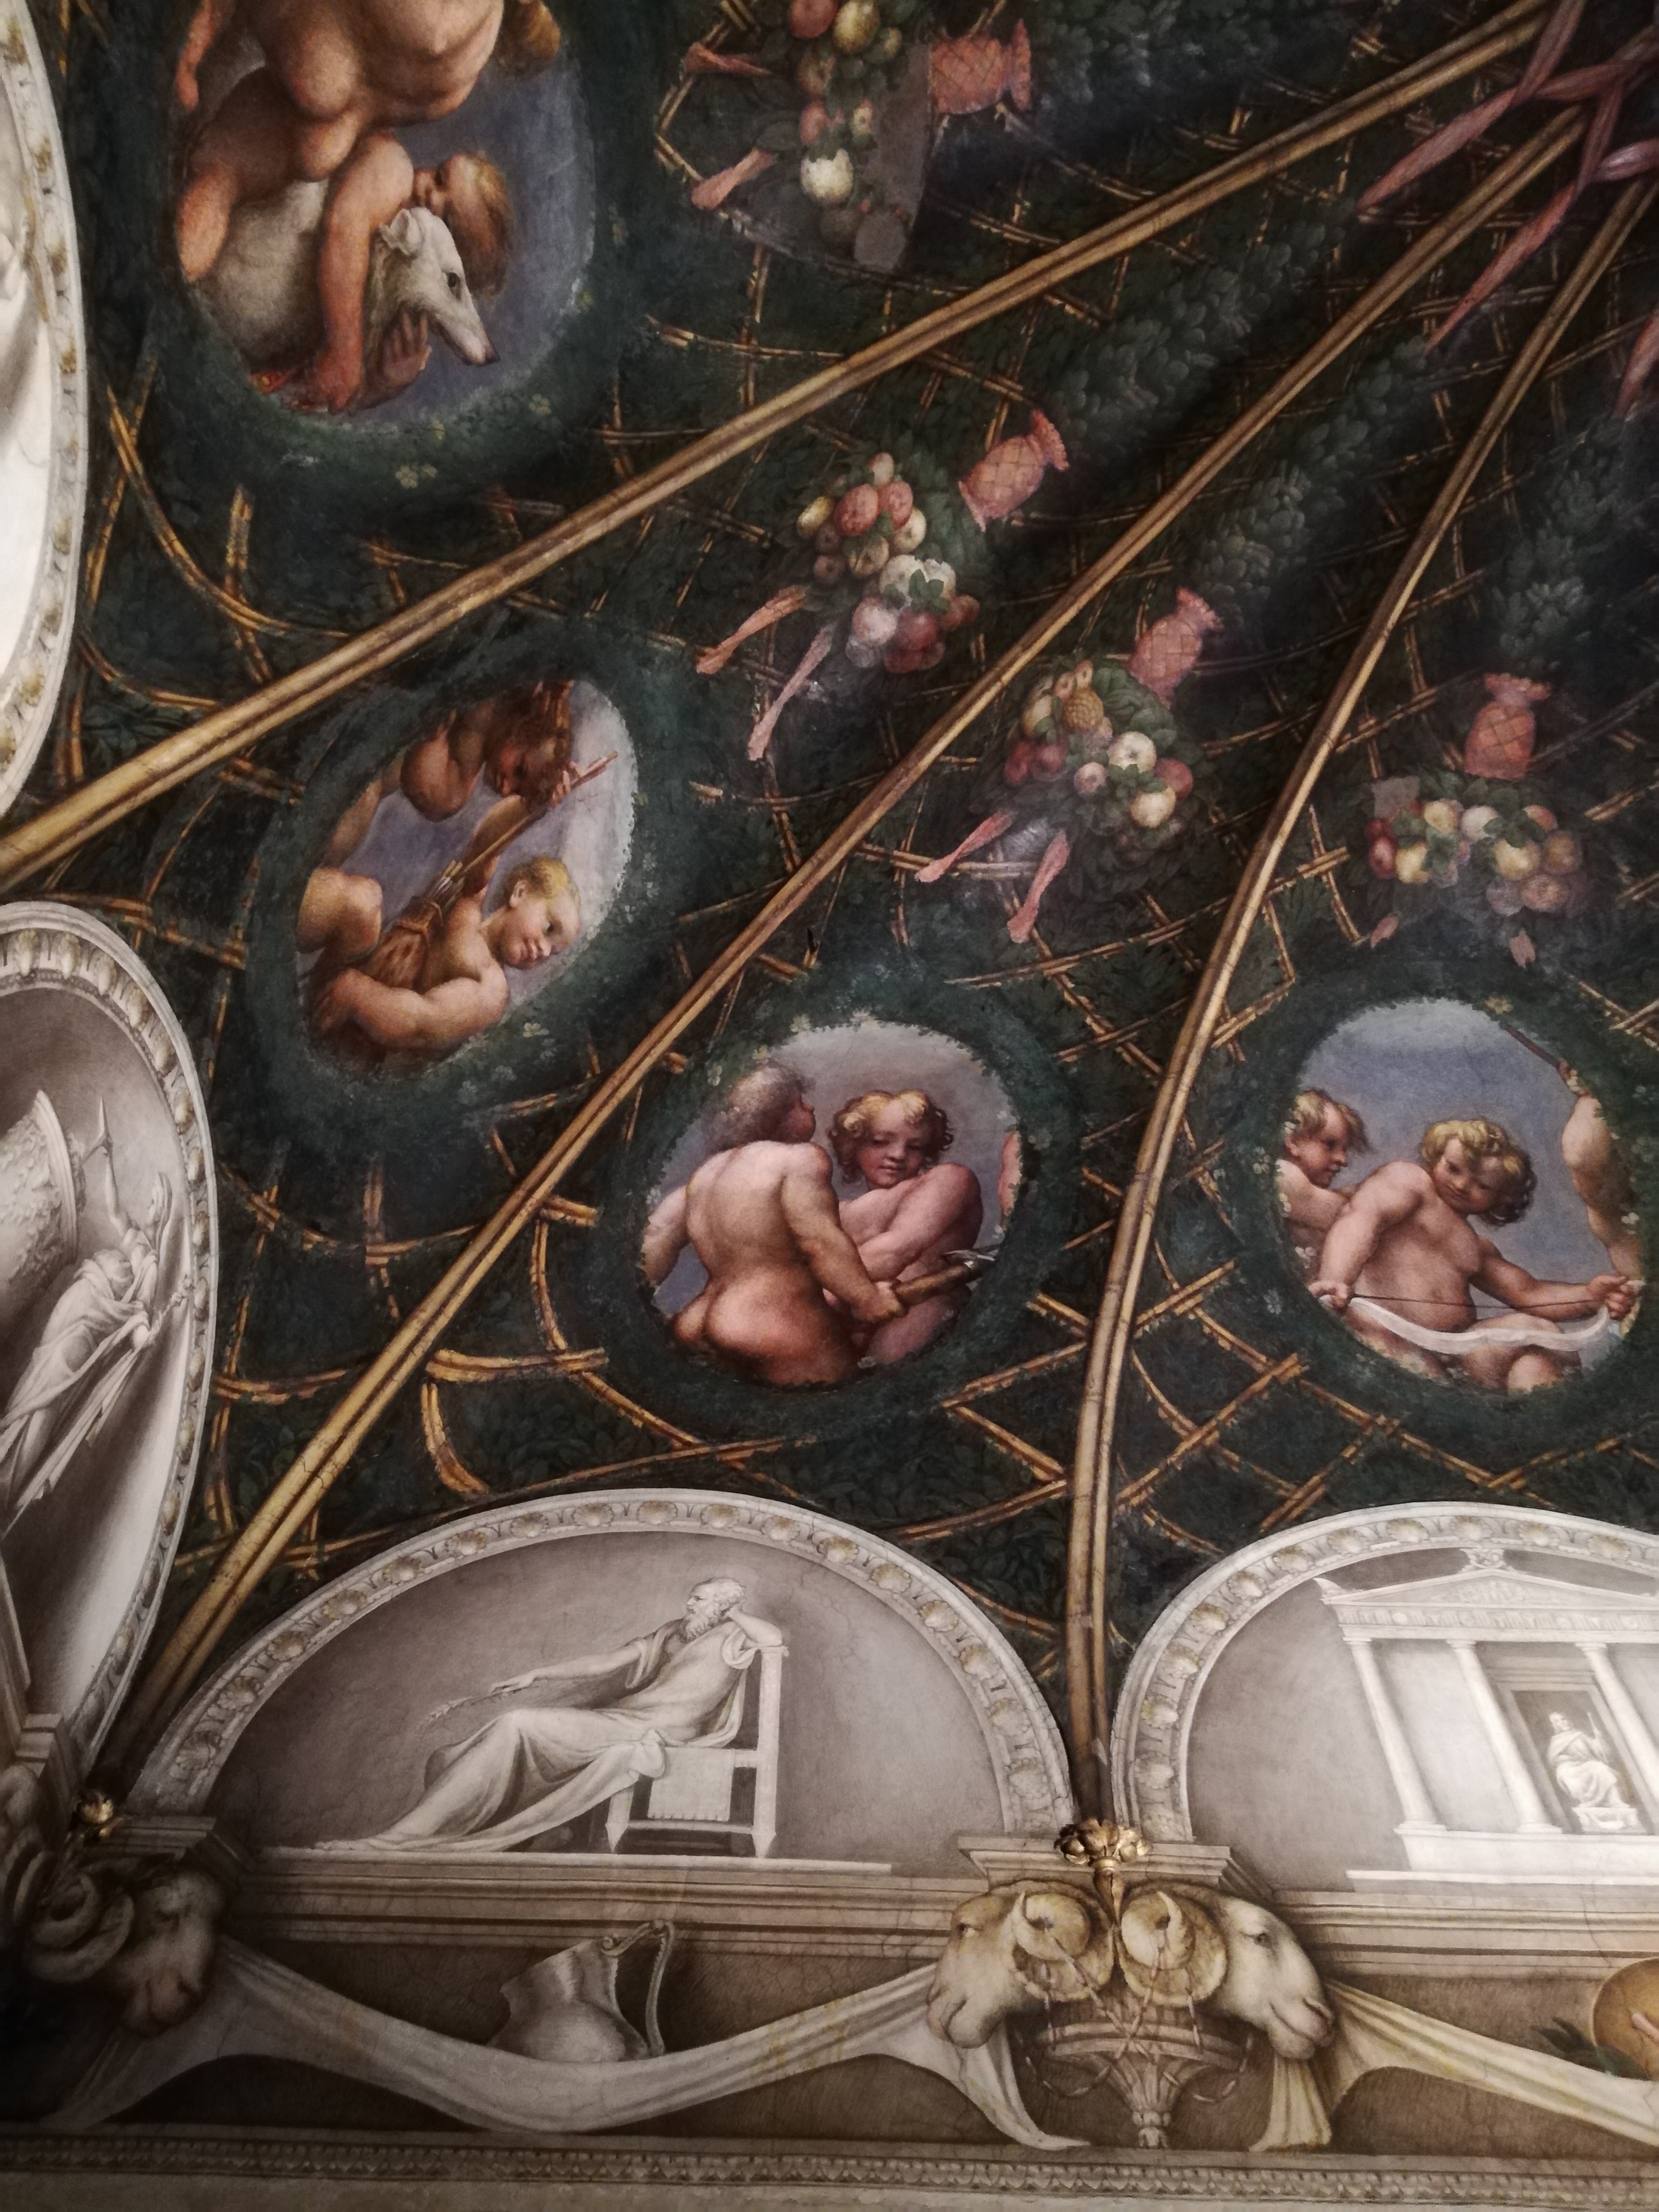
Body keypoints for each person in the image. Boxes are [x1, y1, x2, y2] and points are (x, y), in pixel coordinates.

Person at [172, 0, 556, 389]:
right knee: (218, 183)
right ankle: (164, 290)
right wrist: (347, 356)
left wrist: (373, 376)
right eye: (440, 177)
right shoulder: (399, 161)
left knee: (219, 181)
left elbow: (345, 231)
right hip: (323, 125)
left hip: (325, 97)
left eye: (448, 218)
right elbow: (346, 230)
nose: (431, 198)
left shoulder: (394, 188)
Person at [336, 1577, 785, 1852]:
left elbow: (773, 1639)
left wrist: (736, 1613)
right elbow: (605, 1663)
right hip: (624, 1720)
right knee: (512, 1725)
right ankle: (417, 1830)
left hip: (662, 1730)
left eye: (699, 1599)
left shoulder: (732, 1636)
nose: (689, 1605)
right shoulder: (671, 1634)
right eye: (692, 1598)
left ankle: (406, 1835)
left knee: (518, 1724)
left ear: (721, 1606)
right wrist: (538, 1674)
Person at [1310, 1117, 1637, 1391]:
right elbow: (1360, 1221)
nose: (1463, 1185)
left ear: (1501, 1199)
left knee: (1541, 1338)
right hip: (1381, 1331)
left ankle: (1542, 1432)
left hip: (1455, 1354)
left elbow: (1529, 1293)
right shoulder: (1409, 1182)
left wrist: (1590, 1297)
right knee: (1424, 1380)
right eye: (1454, 1168)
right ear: (1437, 1156)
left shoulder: (1476, 1246)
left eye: (1483, 1186)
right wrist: (1335, 1281)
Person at [640, 1063, 903, 1387]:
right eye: (799, 1103)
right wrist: (867, 1298)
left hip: (696, 1321)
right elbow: (818, 1241)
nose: (811, 1108)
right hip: (769, 1322)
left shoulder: (704, 1177)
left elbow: (653, 1246)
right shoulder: (798, 1160)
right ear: (775, 1113)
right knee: (839, 1403)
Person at [297, 681, 577, 976]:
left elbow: (469, 832)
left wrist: (536, 804)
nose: (506, 788)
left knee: (359, 904)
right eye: (519, 769)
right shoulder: (491, 701)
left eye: (517, 790)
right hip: (323, 784)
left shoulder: (462, 772)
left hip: (326, 828)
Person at [0, 1109, 175, 1530]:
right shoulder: (133, 1236)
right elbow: (113, 1207)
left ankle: (6, 1482)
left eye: (154, 1201)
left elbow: (137, 1319)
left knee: (45, 1400)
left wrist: (148, 1334)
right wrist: (108, 1158)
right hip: (74, 1312)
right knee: (32, 1386)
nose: (148, 1205)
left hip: (84, 1334)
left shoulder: (150, 1265)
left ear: (164, 1212)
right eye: (150, 1199)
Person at [311, 848, 578, 1057]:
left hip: (362, 1032)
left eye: (554, 952)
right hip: (352, 978)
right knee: (359, 900)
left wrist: (359, 995)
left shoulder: (491, 990)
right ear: (520, 893)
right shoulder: (469, 907)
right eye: (549, 928)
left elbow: (420, 1024)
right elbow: (493, 841)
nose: (544, 950)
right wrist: (533, 807)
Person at [831, 1089, 983, 1364]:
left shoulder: (949, 1180)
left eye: (915, 1147)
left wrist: (819, 1293)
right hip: (847, 1322)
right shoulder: (837, 1211)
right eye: (880, 1142)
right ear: (854, 1145)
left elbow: (896, 1251)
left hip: (919, 1308)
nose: (898, 1154)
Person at [1277, 1089, 1367, 1272]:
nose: (1343, 1159)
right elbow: (1353, 1217)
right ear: (1293, 1142)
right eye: (1330, 1145)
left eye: (1344, 1149)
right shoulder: (1283, 1175)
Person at [1546, 1711, 1639, 1832]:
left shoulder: (1580, 1736)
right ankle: (1586, 1801)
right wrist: (1566, 1759)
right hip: (1570, 1766)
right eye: (1557, 1721)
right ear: (1554, 1726)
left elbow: (1599, 1752)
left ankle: (1614, 1801)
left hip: (1587, 1764)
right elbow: (1554, 1759)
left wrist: (1599, 1739)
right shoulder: (1556, 1741)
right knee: (1567, 1773)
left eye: (1563, 1719)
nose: (1562, 1723)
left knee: (1601, 1768)